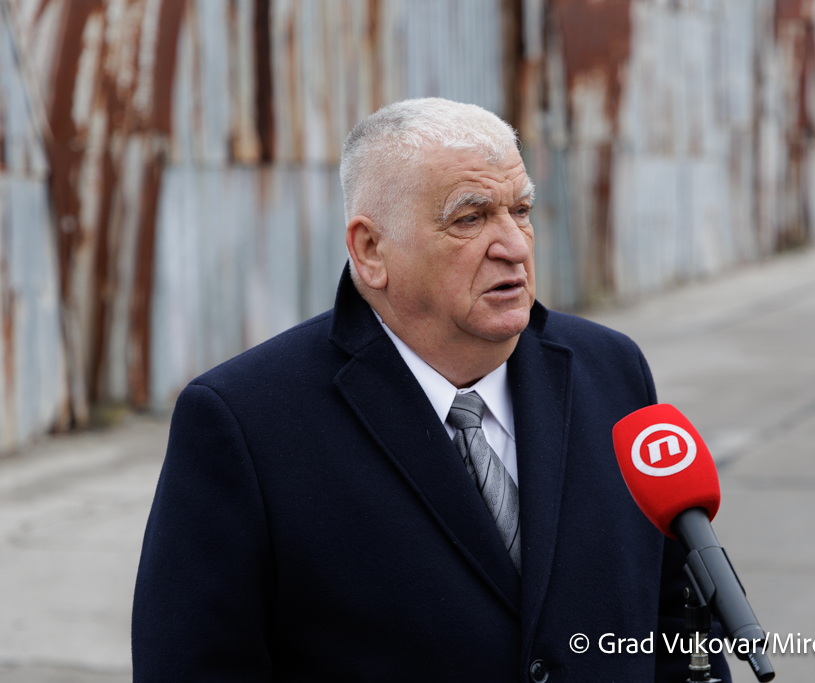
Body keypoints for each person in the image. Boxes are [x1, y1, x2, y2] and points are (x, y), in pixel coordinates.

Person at [132, 98, 731, 682]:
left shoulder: (611, 370)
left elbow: (676, 623)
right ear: (371, 250)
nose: (515, 245)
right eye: (470, 218)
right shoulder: (245, 420)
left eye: (520, 210)